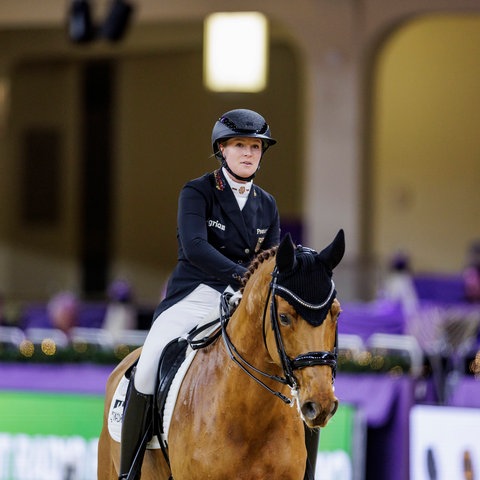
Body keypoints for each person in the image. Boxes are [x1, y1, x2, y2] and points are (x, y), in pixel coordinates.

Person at [118, 108, 280, 480]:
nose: (249, 153)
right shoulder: (197, 191)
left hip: (244, 304)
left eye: (255, 147)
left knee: (289, 370)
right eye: (240, 145)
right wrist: (244, 276)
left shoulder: (267, 204)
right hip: (195, 294)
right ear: (222, 149)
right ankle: (130, 469)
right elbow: (194, 247)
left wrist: (259, 287)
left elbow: (270, 260)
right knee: (147, 366)